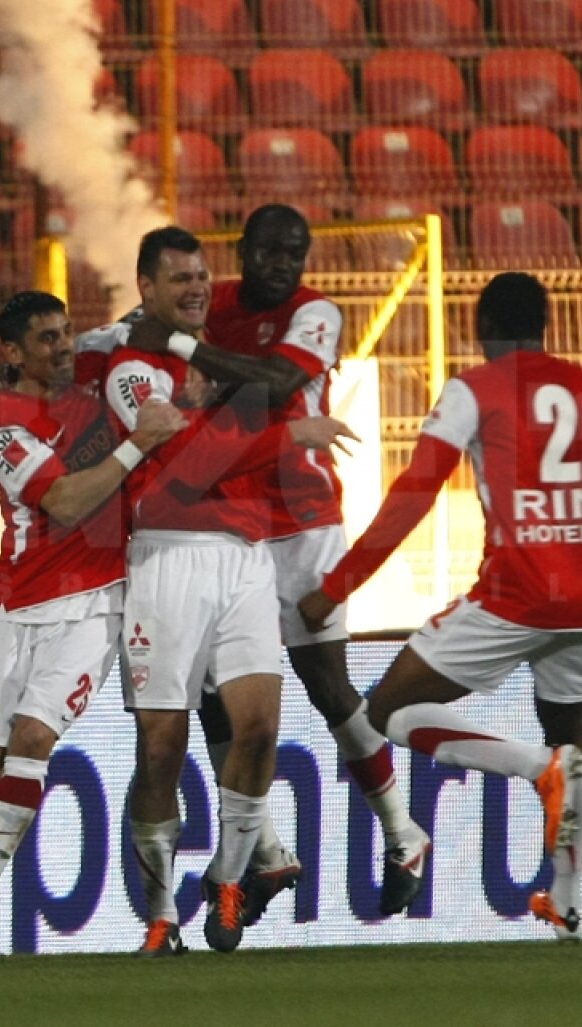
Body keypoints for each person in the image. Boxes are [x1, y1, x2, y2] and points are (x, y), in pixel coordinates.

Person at [299, 271, 582, 941]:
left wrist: (334, 588)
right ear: (546, 324)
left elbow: (414, 496)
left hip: (513, 594)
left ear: (480, 329)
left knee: (384, 712)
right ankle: (565, 903)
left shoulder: (472, 391)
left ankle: (537, 770)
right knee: (571, 737)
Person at [124, 204, 432, 922]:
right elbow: (145, 344)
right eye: (268, 250)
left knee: (323, 680)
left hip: (303, 521)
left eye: (295, 251)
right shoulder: (214, 301)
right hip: (235, 523)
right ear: (247, 250)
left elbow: (275, 381)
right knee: (210, 685)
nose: (281, 263)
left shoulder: (316, 312)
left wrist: (180, 345)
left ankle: (403, 831)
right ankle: (265, 848)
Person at [102, 226, 357, 956]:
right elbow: (185, 465)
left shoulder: (217, 359)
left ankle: (232, 874)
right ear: (146, 288)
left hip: (247, 556)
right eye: (178, 278)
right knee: (161, 746)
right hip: (167, 556)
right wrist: (286, 435)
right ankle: (158, 915)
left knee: (259, 728)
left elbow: (269, 389)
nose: (196, 287)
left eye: (202, 276)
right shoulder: (129, 369)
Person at [0, 290, 184, 966]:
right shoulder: (1, 423)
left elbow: (142, 320)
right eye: (46, 339)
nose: (64, 346)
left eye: (67, 332)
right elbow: (68, 501)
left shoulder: (97, 359)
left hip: (95, 599)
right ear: (13, 353)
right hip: (15, 604)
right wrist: (139, 443)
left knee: (32, 737)